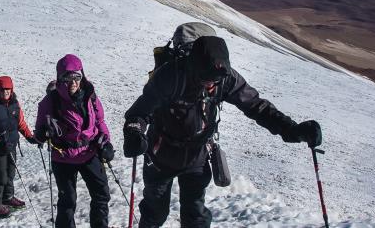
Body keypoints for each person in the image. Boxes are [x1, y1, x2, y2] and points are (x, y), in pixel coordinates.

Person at [123, 34, 323, 228]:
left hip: (197, 155)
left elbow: (256, 106)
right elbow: (140, 112)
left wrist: (292, 130)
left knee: (195, 215)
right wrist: (134, 132)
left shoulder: (225, 77)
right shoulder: (171, 75)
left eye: (215, 81)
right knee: (155, 212)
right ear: (194, 67)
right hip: (161, 154)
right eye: (205, 80)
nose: (211, 85)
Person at [34, 54, 114, 228]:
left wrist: (106, 142)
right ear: (60, 78)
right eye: (67, 78)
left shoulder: (90, 96)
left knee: (101, 195)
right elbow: (38, 132)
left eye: (77, 77)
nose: (73, 82)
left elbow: (100, 122)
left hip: (89, 152)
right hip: (63, 157)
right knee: (68, 201)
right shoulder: (50, 102)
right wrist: (43, 133)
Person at [0, 75, 39, 217]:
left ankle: (8, 198)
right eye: (3, 90)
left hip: (11, 145)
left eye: (8, 89)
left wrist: (30, 136)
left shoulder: (15, 104)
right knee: (0, 176)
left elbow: (20, 123)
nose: (6, 92)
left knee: (10, 174)